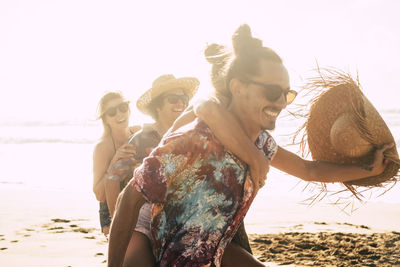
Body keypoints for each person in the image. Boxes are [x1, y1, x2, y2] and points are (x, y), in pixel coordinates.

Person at [108, 25, 391, 267]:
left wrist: (369, 168)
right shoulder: (194, 140)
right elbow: (127, 200)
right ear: (237, 87)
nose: (280, 102)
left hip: (206, 241)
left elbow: (309, 169)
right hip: (156, 230)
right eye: (271, 91)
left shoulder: (262, 144)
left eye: (286, 94)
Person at [105, 74, 199, 266]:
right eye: (173, 99)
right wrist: (119, 223)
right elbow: (112, 179)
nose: (180, 103)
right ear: (157, 105)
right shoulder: (140, 140)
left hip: (181, 218)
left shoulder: (192, 135)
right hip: (143, 219)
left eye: (184, 99)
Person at [92, 91, 140, 236]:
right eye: (112, 112)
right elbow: (99, 195)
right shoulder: (103, 147)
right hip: (111, 211)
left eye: (123, 108)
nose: (119, 114)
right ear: (105, 119)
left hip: (137, 202)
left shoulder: (138, 132)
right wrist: (114, 162)